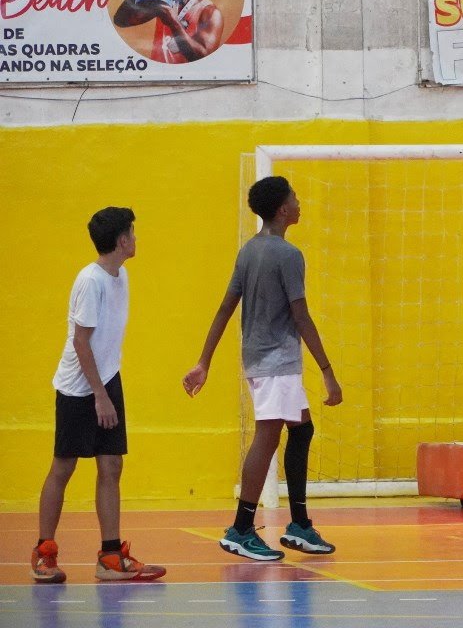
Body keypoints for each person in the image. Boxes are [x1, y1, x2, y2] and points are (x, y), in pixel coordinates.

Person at [183, 176, 342, 560]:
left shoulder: (249, 251)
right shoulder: (288, 255)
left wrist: (204, 361)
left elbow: (225, 308)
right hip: (277, 361)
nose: (299, 202)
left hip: (258, 359)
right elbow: (301, 316)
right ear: (283, 209)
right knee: (267, 438)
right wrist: (327, 370)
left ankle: (300, 526)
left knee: (301, 428)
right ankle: (240, 528)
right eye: (295, 198)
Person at [31, 208, 166, 584]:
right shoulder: (91, 281)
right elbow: (81, 341)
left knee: (111, 466)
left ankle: (110, 556)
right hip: (80, 386)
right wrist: (99, 396)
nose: (136, 239)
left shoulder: (120, 275)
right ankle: (44, 552)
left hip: (107, 379)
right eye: (133, 234)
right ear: (122, 241)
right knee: (64, 467)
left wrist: (107, 390)